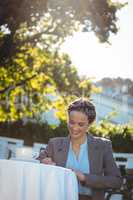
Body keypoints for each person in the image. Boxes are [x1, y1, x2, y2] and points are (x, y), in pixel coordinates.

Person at [37, 98, 122, 200]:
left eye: (81, 124)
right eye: (72, 122)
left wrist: (84, 177)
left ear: (89, 124)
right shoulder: (54, 144)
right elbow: (37, 162)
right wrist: (43, 163)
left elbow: (116, 181)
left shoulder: (103, 146)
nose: (74, 128)